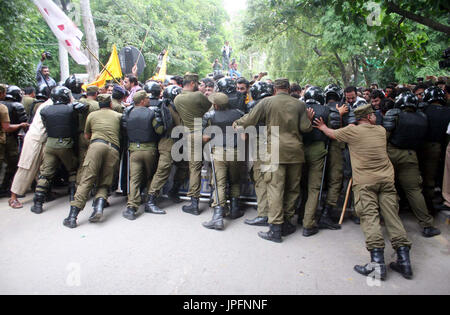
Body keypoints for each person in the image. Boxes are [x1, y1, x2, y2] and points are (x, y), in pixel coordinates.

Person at [314, 103, 413, 281]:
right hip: (386, 180)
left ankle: (377, 266)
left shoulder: (352, 132)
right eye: (373, 115)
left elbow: (332, 134)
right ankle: (404, 262)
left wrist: (322, 126)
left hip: (365, 182)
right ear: (368, 117)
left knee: (369, 218)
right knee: (392, 217)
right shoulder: (381, 131)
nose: (376, 117)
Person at [233, 78, 314, 243]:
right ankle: (288, 224)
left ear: (275, 89)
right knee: (292, 188)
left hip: (275, 151)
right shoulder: (299, 104)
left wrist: (237, 123)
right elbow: (306, 128)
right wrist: (309, 119)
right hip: (296, 151)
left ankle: (275, 228)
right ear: (288, 88)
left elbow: (250, 120)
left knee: (275, 189)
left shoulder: (267, 102)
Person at [383, 92, 441, 237]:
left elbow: (385, 136)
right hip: (410, 155)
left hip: (391, 153)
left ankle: (390, 222)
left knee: (388, 189)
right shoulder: (422, 118)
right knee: (414, 191)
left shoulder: (395, 115)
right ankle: (427, 225)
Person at [64, 94, 122, 228]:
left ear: (98, 104)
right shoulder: (118, 116)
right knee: (104, 182)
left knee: (87, 180)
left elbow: (86, 135)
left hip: (96, 146)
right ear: (111, 104)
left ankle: (72, 217)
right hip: (113, 149)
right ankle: (98, 208)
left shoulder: (92, 115)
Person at [30, 86, 80, 214]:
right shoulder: (70, 109)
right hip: (66, 143)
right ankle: (72, 196)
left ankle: (38, 203)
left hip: (50, 144)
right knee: (72, 170)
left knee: (45, 173)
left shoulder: (45, 110)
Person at [301, 86, 341, 236]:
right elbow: (335, 131)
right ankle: (308, 223)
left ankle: (300, 217)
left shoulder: (300, 108)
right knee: (313, 188)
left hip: (300, 148)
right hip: (318, 149)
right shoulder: (327, 111)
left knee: (301, 185)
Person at [202, 93, 244, 230]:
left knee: (219, 184)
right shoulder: (238, 113)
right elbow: (244, 133)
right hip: (236, 151)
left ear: (216, 105)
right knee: (235, 181)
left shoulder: (210, 116)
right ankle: (235, 210)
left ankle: (218, 217)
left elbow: (205, 138)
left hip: (219, 152)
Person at [146, 84, 189, 213]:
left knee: (184, 167)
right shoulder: (166, 108)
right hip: (168, 143)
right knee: (163, 171)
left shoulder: (177, 108)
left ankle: (173, 191)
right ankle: (150, 200)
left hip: (179, 142)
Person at [174, 73, 211, 215]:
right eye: (197, 84)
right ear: (193, 83)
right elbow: (209, 108)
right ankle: (207, 200)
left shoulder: (177, 99)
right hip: (204, 133)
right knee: (212, 166)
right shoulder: (198, 96)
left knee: (194, 168)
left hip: (190, 135)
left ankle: (194, 203)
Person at [121, 90, 162, 220]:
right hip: (149, 149)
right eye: (147, 98)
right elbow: (159, 130)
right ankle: (150, 202)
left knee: (134, 179)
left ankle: (131, 207)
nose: (149, 100)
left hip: (133, 150)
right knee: (151, 176)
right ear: (143, 100)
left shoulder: (128, 113)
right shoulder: (151, 113)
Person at [244, 81, 274, 226]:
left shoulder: (253, 105)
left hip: (259, 142)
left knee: (260, 178)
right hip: (276, 140)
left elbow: (247, 123)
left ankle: (263, 214)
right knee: (273, 179)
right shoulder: (276, 103)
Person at [418, 86, 450, 212]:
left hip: (429, 146)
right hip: (444, 146)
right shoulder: (448, 111)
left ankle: (428, 205)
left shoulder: (424, 110)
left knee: (428, 177)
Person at [0, 86, 28, 195]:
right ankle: (8, 187)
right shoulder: (14, 106)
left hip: (7, 137)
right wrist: (21, 125)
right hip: (9, 138)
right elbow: (21, 124)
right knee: (14, 162)